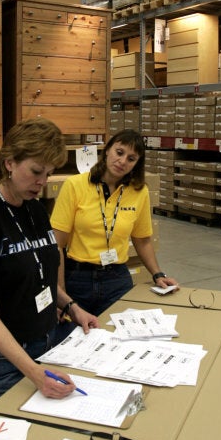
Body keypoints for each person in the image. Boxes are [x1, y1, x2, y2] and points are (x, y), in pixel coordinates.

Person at [0, 118, 98, 415]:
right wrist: (34, 373)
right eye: (35, 171)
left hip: (40, 344)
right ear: (9, 162)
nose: (42, 182)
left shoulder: (34, 209)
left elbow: (38, 275)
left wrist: (72, 307)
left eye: (49, 173)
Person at [50, 128, 179, 317]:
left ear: (136, 164)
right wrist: (61, 296)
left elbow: (142, 240)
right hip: (77, 278)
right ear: (108, 150)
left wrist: (158, 274)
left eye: (131, 158)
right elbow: (57, 245)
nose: (122, 161)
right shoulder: (75, 185)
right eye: (119, 153)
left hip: (116, 279)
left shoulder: (139, 192)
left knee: (119, 335)